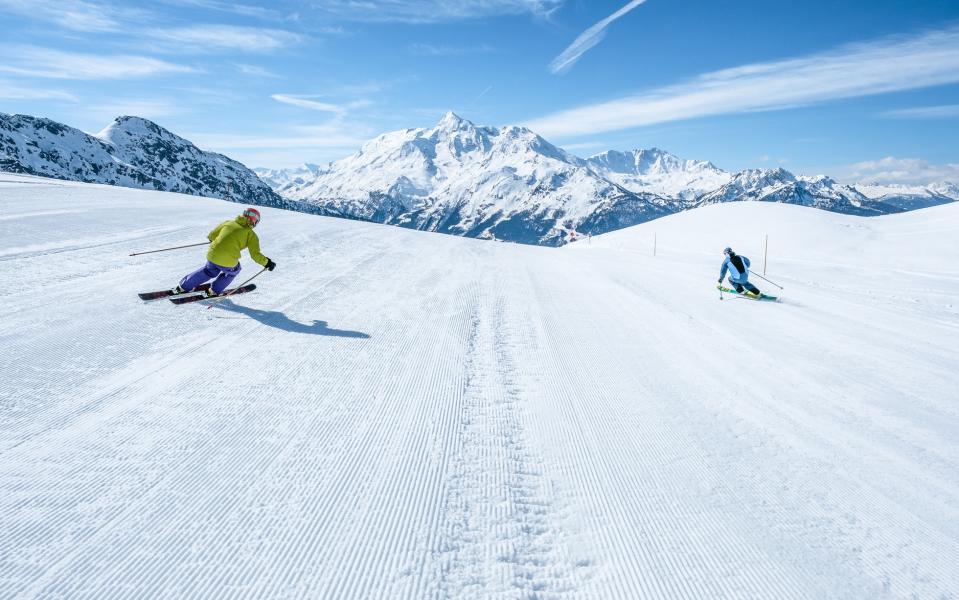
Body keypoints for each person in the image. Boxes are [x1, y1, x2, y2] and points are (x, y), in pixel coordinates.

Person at [175, 207, 276, 297]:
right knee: (234, 271)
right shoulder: (251, 235)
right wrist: (267, 263)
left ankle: (184, 286)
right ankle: (214, 290)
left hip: (212, 255)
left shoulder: (228, 222)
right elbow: (255, 255)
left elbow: (211, 235)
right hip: (228, 261)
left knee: (209, 271)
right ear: (254, 221)